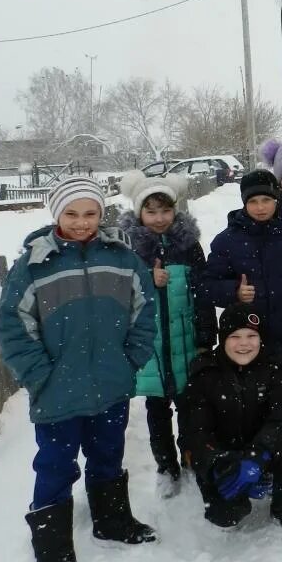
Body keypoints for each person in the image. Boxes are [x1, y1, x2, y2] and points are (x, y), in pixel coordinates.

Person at [0, 176, 158, 562]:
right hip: (58, 392)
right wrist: (41, 376)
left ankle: (112, 521)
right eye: (72, 214)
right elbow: (13, 327)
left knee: (108, 454)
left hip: (111, 383)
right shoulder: (35, 264)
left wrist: (129, 360)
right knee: (55, 466)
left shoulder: (122, 258)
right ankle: (54, 555)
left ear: (101, 214)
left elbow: (145, 311)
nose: (82, 222)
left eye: (90, 213)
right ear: (56, 215)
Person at [118, 169, 217, 498]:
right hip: (152, 348)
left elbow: (203, 294)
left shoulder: (189, 246)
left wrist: (205, 338)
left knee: (191, 408)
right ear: (139, 212)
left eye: (165, 210)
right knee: (156, 410)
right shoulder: (128, 251)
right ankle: (166, 466)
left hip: (186, 342)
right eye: (151, 211)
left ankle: (191, 457)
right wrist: (148, 278)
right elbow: (120, 296)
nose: (159, 218)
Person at [177, 304, 282, 533]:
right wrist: (218, 465)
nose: (244, 343)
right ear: (223, 339)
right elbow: (194, 432)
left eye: (251, 336)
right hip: (224, 453)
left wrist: (259, 455)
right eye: (235, 336)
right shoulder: (205, 374)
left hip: (260, 447)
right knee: (225, 514)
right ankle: (231, 494)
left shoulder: (274, 367)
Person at [203, 169, 282, 391]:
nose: (260, 207)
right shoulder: (226, 241)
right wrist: (234, 291)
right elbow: (207, 285)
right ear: (244, 203)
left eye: (266, 200)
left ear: (276, 200)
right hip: (247, 341)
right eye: (254, 201)